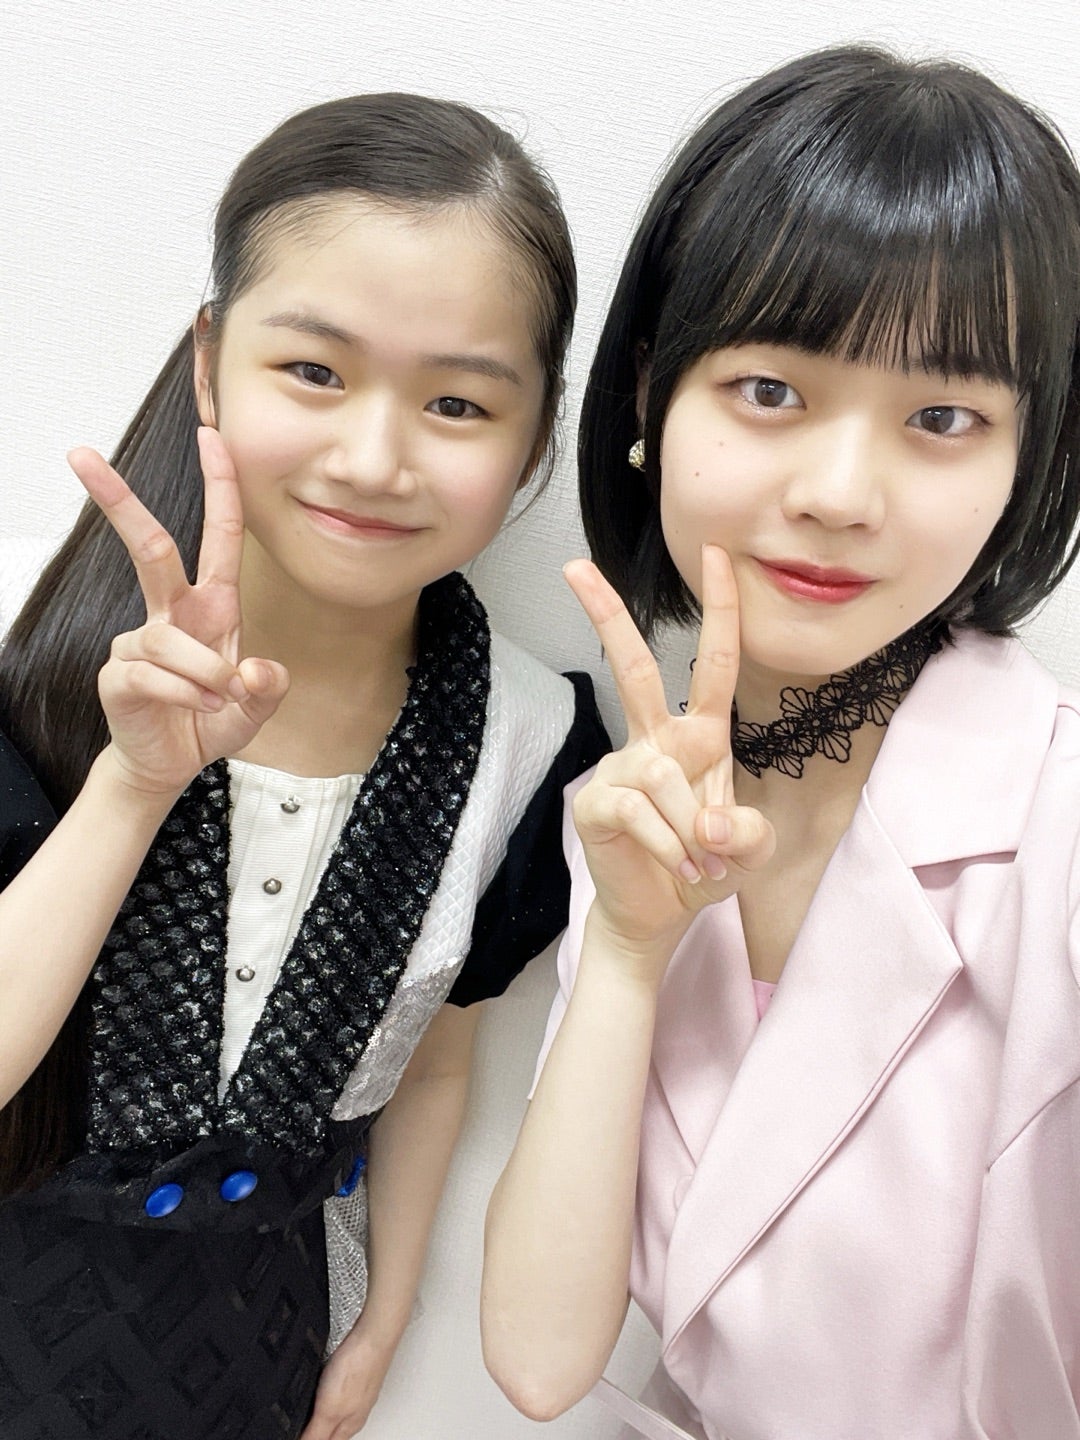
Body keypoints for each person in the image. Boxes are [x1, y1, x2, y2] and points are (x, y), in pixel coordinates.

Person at [482, 46, 1080, 1440]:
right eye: (769, 390)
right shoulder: (642, 804)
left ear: (1025, 461)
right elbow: (539, 1359)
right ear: (650, 396)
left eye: (944, 418)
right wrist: (626, 950)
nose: (841, 492)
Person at [0, 93, 607, 1440]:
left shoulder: (531, 740)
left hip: (261, 1342)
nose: (374, 458)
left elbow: (434, 1059)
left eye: (457, 401)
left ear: (535, 435)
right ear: (210, 360)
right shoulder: (22, 646)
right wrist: (132, 786)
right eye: (316, 372)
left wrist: (386, 1310)